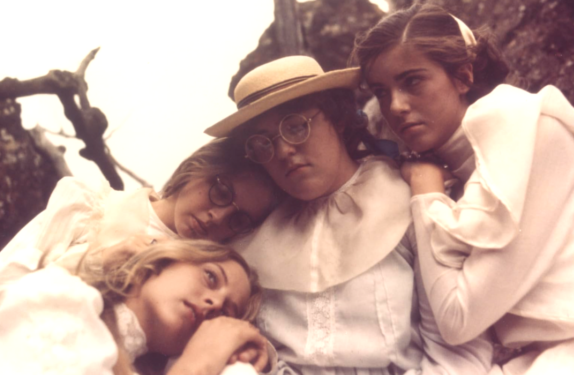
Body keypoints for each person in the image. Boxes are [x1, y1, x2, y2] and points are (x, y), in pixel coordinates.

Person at [354, 3, 574, 374]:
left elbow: (456, 319)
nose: (395, 106)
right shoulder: (445, 164)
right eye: (381, 92)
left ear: (463, 76)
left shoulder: (526, 130)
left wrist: (425, 195)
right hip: (540, 358)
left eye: (412, 81)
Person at [204, 55, 492, 375]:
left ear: (336, 117)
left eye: (296, 126)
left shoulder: (411, 197)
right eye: (262, 143)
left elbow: (460, 350)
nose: (283, 149)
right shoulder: (250, 244)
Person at [0, 137, 282, 328]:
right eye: (221, 191)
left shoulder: (205, 282)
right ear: (200, 167)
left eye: (238, 219)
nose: (217, 217)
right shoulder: (89, 204)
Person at [0, 239, 268, 375]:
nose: (214, 303)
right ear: (162, 262)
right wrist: (199, 365)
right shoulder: (63, 296)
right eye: (210, 277)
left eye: (225, 314)